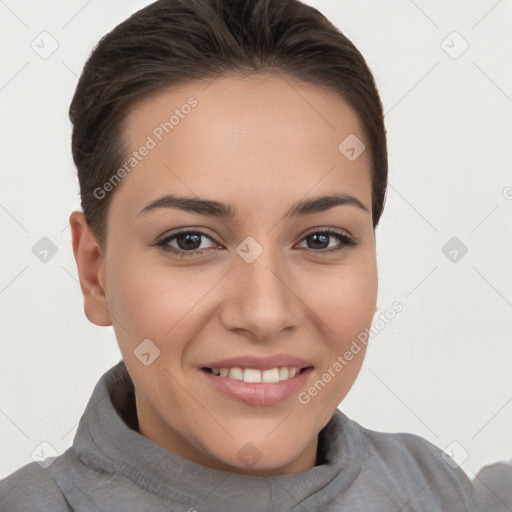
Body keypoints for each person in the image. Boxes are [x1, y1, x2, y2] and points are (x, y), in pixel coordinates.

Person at [1, 0, 510, 510]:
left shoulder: (448, 495)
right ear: (96, 274)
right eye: (190, 241)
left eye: (321, 239)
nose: (265, 313)